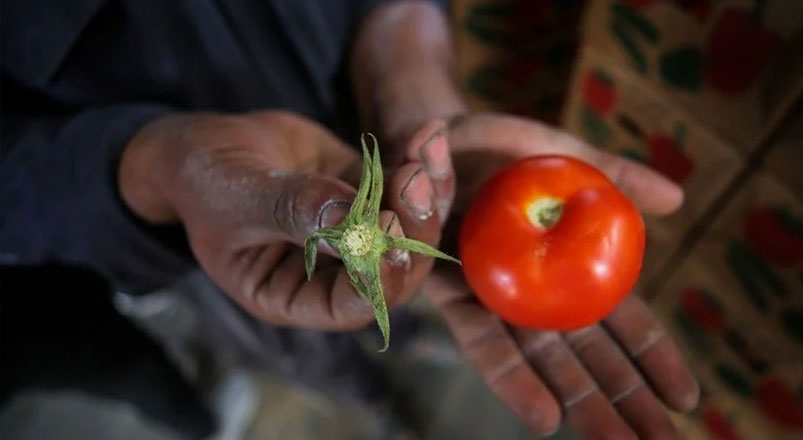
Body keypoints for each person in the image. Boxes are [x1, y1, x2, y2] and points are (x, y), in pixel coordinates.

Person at [1, 1, 699, 438]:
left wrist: (407, 73)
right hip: (206, 238)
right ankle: (366, 397)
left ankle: (395, 357)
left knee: (392, 289)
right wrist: (150, 171)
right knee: (292, 335)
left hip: (362, 119)